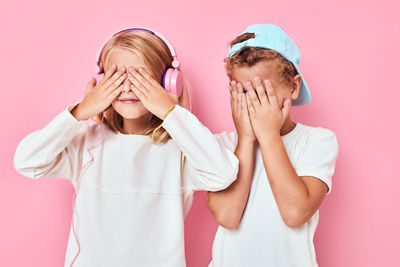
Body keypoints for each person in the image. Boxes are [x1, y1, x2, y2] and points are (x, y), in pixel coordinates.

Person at [13, 27, 238, 267]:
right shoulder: (85, 144)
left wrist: (171, 113)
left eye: (141, 78)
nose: (128, 87)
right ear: (99, 82)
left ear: (169, 84)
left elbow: (221, 174)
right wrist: (80, 112)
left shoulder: (182, 149)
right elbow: (26, 162)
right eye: (117, 77)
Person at [207, 24, 339, 267]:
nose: (253, 102)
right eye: (243, 92)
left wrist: (268, 136)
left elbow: (296, 213)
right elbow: (227, 216)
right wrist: (246, 139)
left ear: (293, 86)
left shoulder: (318, 141)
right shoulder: (223, 145)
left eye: (261, 91)